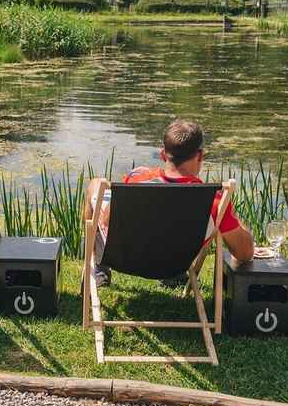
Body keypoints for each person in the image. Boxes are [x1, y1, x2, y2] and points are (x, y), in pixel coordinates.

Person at [84, 120, 254, 288]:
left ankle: (99, 270)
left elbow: (106, 220)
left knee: (95, 184)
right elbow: (244, 254)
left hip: (126, 261)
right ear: (200, 155)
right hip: (175, 265)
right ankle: (173, 277)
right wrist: (233, 216)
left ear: (163, 154)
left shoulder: (135, 180)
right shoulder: (214, 200)